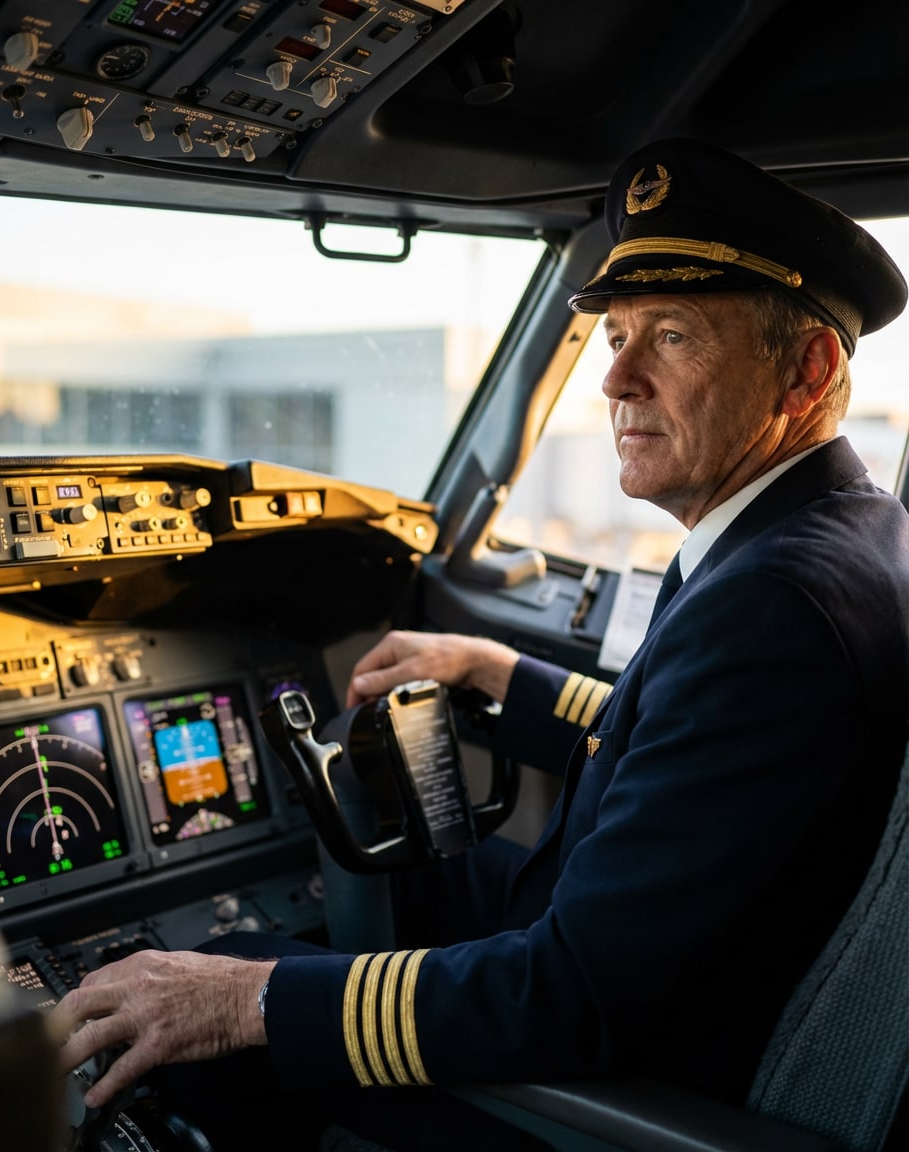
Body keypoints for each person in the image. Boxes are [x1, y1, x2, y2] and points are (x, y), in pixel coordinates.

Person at [50, 137, 909, 1150]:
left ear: (806, 371)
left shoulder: (773, 602)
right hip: (684, 967)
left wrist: (245, 1000)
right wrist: (506, 675)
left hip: (633, 1083)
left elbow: (567, 998)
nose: (617, 379)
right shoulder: (840, 535)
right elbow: (693, 738)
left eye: (671, 337)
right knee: (388, 883)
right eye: (616, 336)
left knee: (191, 1027)